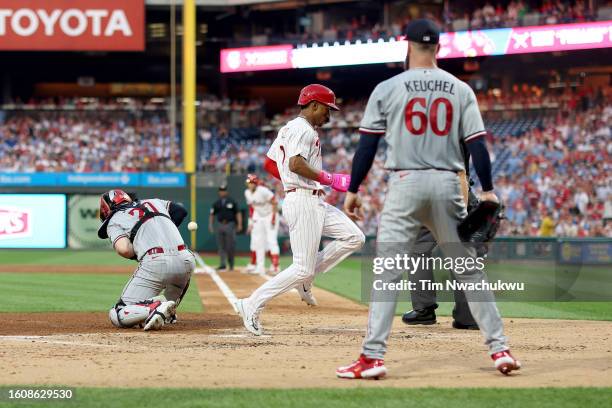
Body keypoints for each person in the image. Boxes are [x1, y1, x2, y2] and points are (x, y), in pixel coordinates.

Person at [337, 19, 521, 379]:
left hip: (405, 181)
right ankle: (500, 349)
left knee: (387, 272)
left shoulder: (388, 87)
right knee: (469, 270)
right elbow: (477, 145)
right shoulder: (459, 88)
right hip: (448, 182)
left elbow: (366, 147)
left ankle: (372, 357)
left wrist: (354, 189)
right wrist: (487, 189)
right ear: (439, 47)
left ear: (407, 45)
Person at [235, 84, 365, 335]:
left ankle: (304, 282)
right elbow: (295, 163)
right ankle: (251, 303)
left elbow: (271, 164)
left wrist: (292, 181)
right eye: (327, 109)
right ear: (314, 105)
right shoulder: (303, 130)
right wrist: (329, 179)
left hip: (310, 198)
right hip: (303, 200)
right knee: (302, 267)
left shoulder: (288, 128)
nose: (329, 115)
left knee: (354, 237)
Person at [97, 189, 195, 331]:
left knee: (117, 314)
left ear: (107, 209)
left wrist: (141, 246)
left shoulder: (114, 220)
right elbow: (180, 211)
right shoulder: (154, 202)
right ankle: (167, 311)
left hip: (156, 261)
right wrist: (161, 233)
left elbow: (124, 249)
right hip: (186, 260)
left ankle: (155, 308)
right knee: (181, 269)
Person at [244, 173, 281, 275]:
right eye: (248, 183)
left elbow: (274, 202)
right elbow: (251, 207)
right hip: (259, 216)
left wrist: (273, 217)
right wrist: (251, 221)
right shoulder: (247, 192)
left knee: (271, 240)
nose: (249, 185)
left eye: (251, 182)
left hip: (270, 215)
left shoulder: (263, 191)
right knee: (258, 242)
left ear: (255, 183)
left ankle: (275, 266)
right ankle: (259, 267)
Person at [209, 184, 243, 272]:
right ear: (219, 192)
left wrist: (239, 224)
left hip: (230, 224)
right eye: (221, 191)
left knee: (230, 246)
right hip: (220, 224)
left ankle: (231, 264)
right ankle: (223, 264)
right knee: (221, 246)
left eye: (224, 190)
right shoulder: (216, 203)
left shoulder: (232, 201)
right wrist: (210, 225)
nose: (222, 192)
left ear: (226, 191)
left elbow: (238, 213)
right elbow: (212, 214)